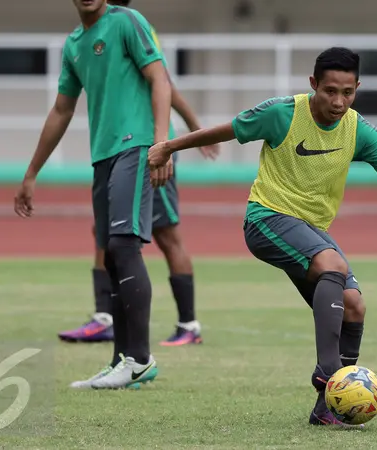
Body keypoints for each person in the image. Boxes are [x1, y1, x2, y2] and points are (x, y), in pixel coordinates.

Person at [147, 47, 377, 426]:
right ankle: (329, 374)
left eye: (347, 92)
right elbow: (229, 129)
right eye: (329, 91)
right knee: (333, 265)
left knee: (354, 305)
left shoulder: (357, 128)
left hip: (311, 231)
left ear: (356, 87)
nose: (338, 101)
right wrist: (169, 146)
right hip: (267, 219)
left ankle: (326, 409)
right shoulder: (283, 113)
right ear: (313, 85)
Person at [15, 0, 174, 390]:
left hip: (136, 147)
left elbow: (160, 79)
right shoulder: (74, 44)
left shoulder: (126, 22)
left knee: (123, 246)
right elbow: (61, 110)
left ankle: (138, 359)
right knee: (112, 255)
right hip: (102, 156)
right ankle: (123, 361)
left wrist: (162, 143)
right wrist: (31, 173)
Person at [57, 0, 218, 348]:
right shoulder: (89, 35)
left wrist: (189, 131)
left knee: (163, 235)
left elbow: (164, 83)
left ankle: (187, 324)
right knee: (107, 232)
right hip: (119, 150)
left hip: (146, 148)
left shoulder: (131, 25)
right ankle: (106, 317)